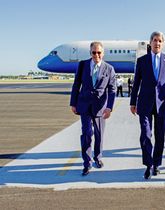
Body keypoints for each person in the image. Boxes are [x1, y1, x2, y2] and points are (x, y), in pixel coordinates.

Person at [130, 31, 165, 179]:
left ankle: (156, 164)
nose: (157, 43)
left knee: (160, 136)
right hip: (144, 103)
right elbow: (136, 83)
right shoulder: (142, 61)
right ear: (150, 43)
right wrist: (132, 102)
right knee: (145, 135)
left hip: (162, 104)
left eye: (160, 41)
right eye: (155, 40)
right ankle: (148, 164)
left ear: (163, 44)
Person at [70, 41, 116, 176]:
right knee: (86, 134)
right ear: (90, 53)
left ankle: (98, 157)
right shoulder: (83, 65)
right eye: (94, 52)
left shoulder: (109, 68)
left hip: (100, 108)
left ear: (103, 53)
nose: (96, 55)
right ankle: (87, 163)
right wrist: (73, 103)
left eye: (99, 52)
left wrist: (109, 107)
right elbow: (76, 84)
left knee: (99, 135)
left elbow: (112, 90)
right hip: (84, 105)